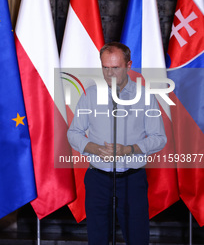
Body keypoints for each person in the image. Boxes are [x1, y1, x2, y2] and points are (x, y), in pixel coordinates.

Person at [67, 42, 167, 244]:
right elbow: (74, 133)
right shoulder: (90, 95)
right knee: (98, 238)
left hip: (132, 180)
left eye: (115, 67)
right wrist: (94, 148)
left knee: (137, 238)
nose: (110, 73)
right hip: (98, 179)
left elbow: (159, 138)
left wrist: (130, 150)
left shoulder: (145, 97)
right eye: (105, 67)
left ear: (129, 65)